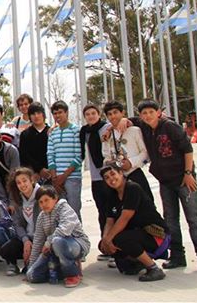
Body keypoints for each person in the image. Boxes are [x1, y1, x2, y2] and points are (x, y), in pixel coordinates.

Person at [116, 99, 197, 272]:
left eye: (151, 112)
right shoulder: (143, 126)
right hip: (165, 181)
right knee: (170, 220)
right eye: (144, 113)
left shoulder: (170, 127)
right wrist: (121, 121)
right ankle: (177, 256)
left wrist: (188, 173)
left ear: (158, 112)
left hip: (183, 180)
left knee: (194, 219)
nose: (147, 116)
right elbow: (124, 120)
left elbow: (187, 150)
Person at [98, 163, 168, 281]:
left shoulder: (132, 188)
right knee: (106, 247)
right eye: (107, 178)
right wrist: (105, 240)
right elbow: (109, 221)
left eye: (113, 174)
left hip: (155, 233)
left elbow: (125, 218)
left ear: (121, 173)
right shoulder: (112, 195)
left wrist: (109, 239)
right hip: (136, 233)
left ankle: (153, 268)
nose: (111, 179)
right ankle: (138, 262)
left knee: (119, 239)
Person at [26, 186, 90, 288]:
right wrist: (31, 265)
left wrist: (48, 243)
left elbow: (64, 229)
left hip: (75, 244)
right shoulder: (41, 217)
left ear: (55, 198)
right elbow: (38, 241)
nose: (44, 204)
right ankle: (60, 270)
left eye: (46, 200)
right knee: (32, 276)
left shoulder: (65, 209)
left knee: (57, 241)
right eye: (41, 202)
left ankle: (72, 274)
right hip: (53, 249)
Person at [102, 100, 153, 200]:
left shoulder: (134, 130)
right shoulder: (107, 135)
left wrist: (131, 163)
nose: (113, 116)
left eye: (116, 112)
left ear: (122, 113)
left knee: (146, 204)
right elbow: (106, 156)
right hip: (117, 178)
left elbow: (145, 153)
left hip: (135, 173)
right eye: (110, 114)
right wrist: (112, 163)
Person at [1, 167, 41, 276]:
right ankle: (13, 265)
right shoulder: (18, 199)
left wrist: (35, 242)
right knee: (6, 250)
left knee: (31, 271)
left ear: (31, 180)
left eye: (24, 181)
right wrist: (25, 241)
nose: (22, 185)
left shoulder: (42, 194)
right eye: (19, 183)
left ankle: (32, 263)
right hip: (28, 237)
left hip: (42, 238)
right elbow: (17, 224)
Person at [47, 101, 82, 220]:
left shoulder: (76, 130)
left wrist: (64, 176)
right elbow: (50, 155)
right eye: (55, 113)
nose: (58, 116)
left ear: (66, 113)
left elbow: (78, 156)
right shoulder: (53, 133)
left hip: (72, 177)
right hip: (57, 179)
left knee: (74, 210)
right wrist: (54, 178)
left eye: (60, 112)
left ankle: (78, 238)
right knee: (61, 213)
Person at [80, 104, 109, 241]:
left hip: (109, 176)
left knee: (112, 211)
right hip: (96, 177)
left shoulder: (106, 127)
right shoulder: (85, 132)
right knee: (101, 211)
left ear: (99, 114)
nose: (91, 116)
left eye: (93, 113)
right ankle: (105, 243)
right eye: (87, 114)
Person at [18, 102, 50, 181]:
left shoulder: (51, 132)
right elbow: (24, 156)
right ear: (29, 116)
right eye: (33, 114)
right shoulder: (25, 134)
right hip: (33, 176)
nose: (36, 116)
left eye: (39, 113)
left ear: (43, 114)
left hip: (51, 174)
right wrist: (39, 170)